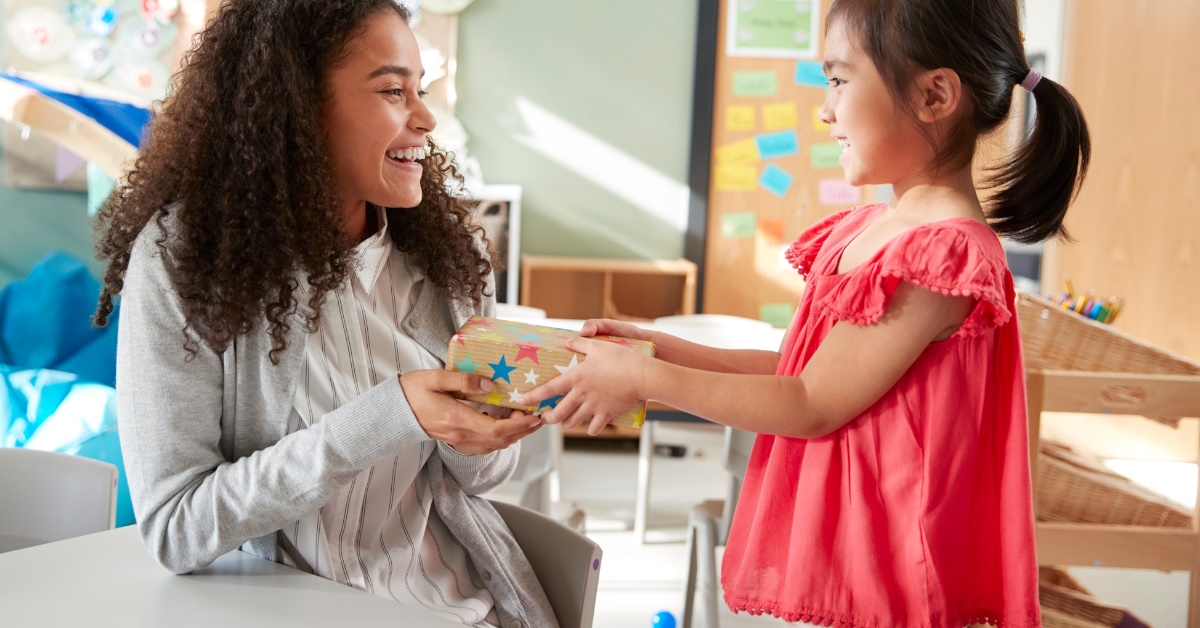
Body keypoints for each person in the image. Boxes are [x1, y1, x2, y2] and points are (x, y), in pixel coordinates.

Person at [521, 0, 1090, 624]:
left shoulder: (943, 254)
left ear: (935, 95)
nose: (825, 109)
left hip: (889, 572)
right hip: (848, 557)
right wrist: (653, 350)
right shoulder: (875, 227)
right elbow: (794, 371)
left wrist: (644, 381)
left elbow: (812, 404)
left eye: (840, 80)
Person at [93, 2, 556, 626]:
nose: (424, 118)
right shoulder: (186, 260)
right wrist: (393, 413)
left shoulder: (453, 254)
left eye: (421, 90)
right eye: (393, 90)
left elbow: (479, 481)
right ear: (299, 105)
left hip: (454, 609)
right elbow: (177, 528)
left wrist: (491, 424)